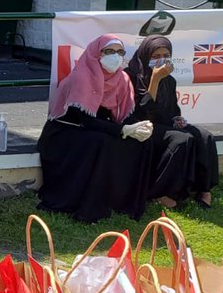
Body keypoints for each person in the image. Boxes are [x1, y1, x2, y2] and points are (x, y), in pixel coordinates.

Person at [38, 35, 154, 223]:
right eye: (109, 51)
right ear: (96, 53)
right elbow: (84, 119)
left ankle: (123, 202)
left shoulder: (122, 78)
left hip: (99, 128)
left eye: (120, 52)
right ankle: (88, 204)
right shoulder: (82, 76)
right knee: (102, 142)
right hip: (67, 131)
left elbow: (124, 115)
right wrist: (123, 130)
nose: (115, 56)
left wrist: (139, 126)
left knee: (141, 143)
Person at [125, 35, 217, 208]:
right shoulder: (130, 76)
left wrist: (177, 119)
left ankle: (203, 189)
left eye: (166, 55)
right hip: (141, 127)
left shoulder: (170, 80)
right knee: (181, 140)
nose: (161, 60)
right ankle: (160, 193)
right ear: (145, 55)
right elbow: (140, 112)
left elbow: (173, 110)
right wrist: (155, 79)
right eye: (156, 56)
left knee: (204, 136)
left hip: (166, 125)